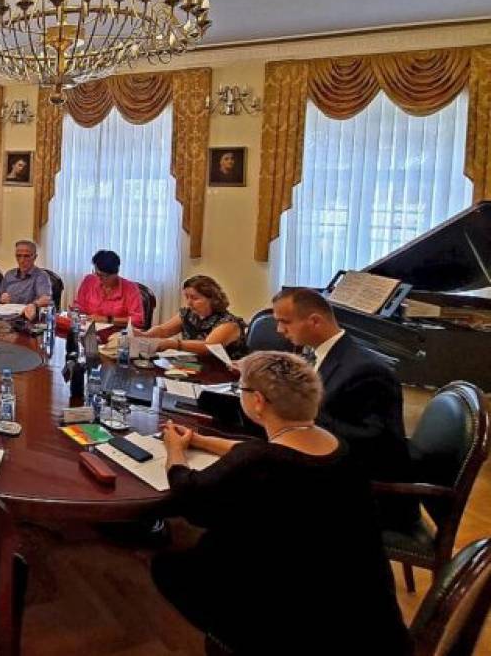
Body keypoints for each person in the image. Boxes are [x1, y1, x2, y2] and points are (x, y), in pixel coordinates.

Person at [152, 351, 409, 654]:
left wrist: (175, 450)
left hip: (287, 626)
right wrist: (199, 440)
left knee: (167, 566)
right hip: (366, 620)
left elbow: (189, 495)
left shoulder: (258, 465)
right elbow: (257, 449)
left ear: (258, 401)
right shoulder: (338, 448)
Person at [271, 287, 415, 528]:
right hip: (337, 470)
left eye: (285, 322)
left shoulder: (367, 369)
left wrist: (299, 418)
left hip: (368, 495)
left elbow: (376, 441)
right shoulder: (321, 355)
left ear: (315, 321)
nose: (279, 330)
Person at [141, 275, 246, 359]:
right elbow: (163, 330)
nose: (189, 303)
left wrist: (175, 344)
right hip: (194, 366)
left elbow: (208, 347)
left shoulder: (228, 323)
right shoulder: (188, 314)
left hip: (223, 371)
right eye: (187, 297)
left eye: (194, 298)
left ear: (212, 299)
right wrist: (144, 334)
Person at [73, 250, 144, 327]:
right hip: (88, 329)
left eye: (102, 275)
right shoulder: (89, 280)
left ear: (115, 274)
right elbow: (79, 305)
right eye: (96, 273)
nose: (98, 278)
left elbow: (138, 320)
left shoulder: (130, 289)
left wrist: (107, 319)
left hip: (116, 332)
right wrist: (75, 312)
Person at [0, 240, 52, 320]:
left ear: (35, 257)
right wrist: (2, 299)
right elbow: (0, 298)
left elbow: (46, 299)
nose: (22, 260)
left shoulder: (41, 276)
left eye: (26, 256)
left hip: (29, 319)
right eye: (18, 256)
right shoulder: (9, 275)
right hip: (9, 317)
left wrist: (34, 305)